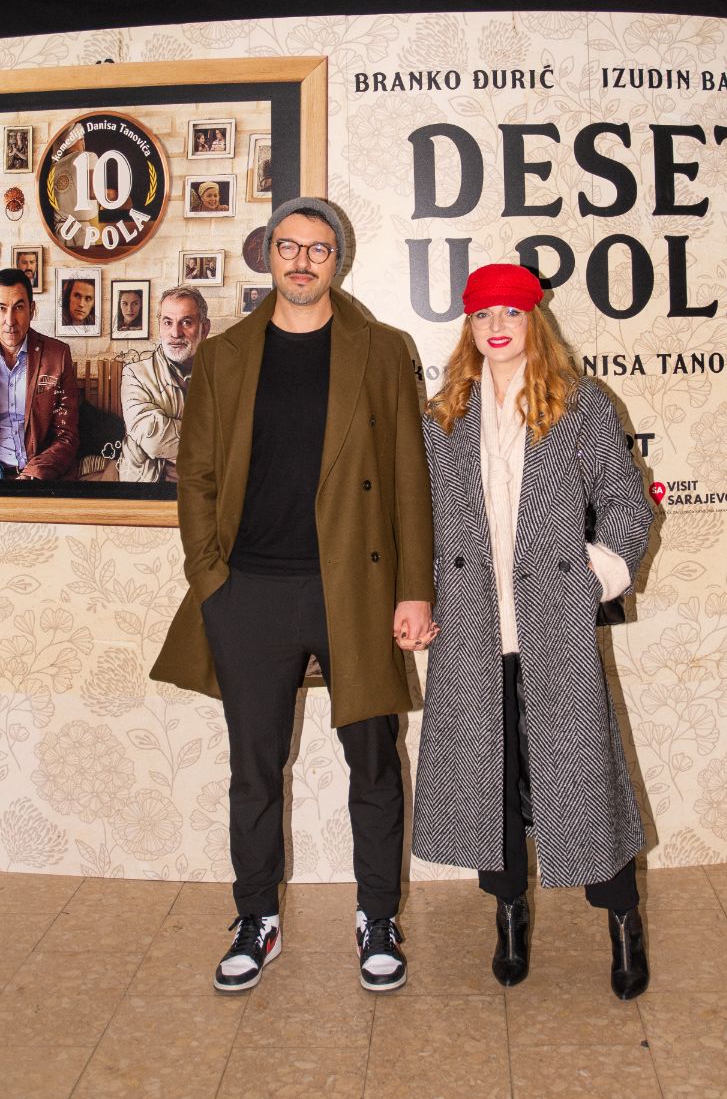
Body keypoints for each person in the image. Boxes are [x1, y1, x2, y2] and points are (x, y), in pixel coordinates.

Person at [151, 197, 434, 994]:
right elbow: (196, 474)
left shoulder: (383, 348)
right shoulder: (226, 354)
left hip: (357, 587)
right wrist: (210, 579)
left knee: (373, 760)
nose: (301, 261)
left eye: (317, 248)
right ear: (267, 254)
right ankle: (256, 917)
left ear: (337, 259)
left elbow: (409, 477)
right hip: (251, 591)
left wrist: (414, 590)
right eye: (288, 246)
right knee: (253, 768)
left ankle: (376, 916)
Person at [411, 263, 654, 1000]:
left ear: (532, 321)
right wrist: (418, 597)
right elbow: (422, 517)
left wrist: (595, 574)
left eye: (510, 313)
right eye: (483, 315)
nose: (497, 327)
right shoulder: (443, 413)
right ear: (468, 326)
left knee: (583, 781)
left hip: (553, 621)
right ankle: (509, 915)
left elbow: (625, 501)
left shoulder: (579, 403)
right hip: (472, 624)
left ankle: (623, 918)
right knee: (493, 784)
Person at [118, 286, 209, 482]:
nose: (175, 333)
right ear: (159, 326)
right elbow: (153, 438)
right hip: (150, 485)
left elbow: (239, 436)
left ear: (205, 328)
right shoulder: (136, 374)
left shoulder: (224, 375)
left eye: (186, 322)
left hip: (208, 485)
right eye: (168, 322)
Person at [0, 267, 79, 480]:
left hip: (40, 477)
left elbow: (67, 435)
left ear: (32, 310)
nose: (10, 320)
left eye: (19, 307)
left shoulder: (57, 356)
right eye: (1, 308)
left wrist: (32, 475)